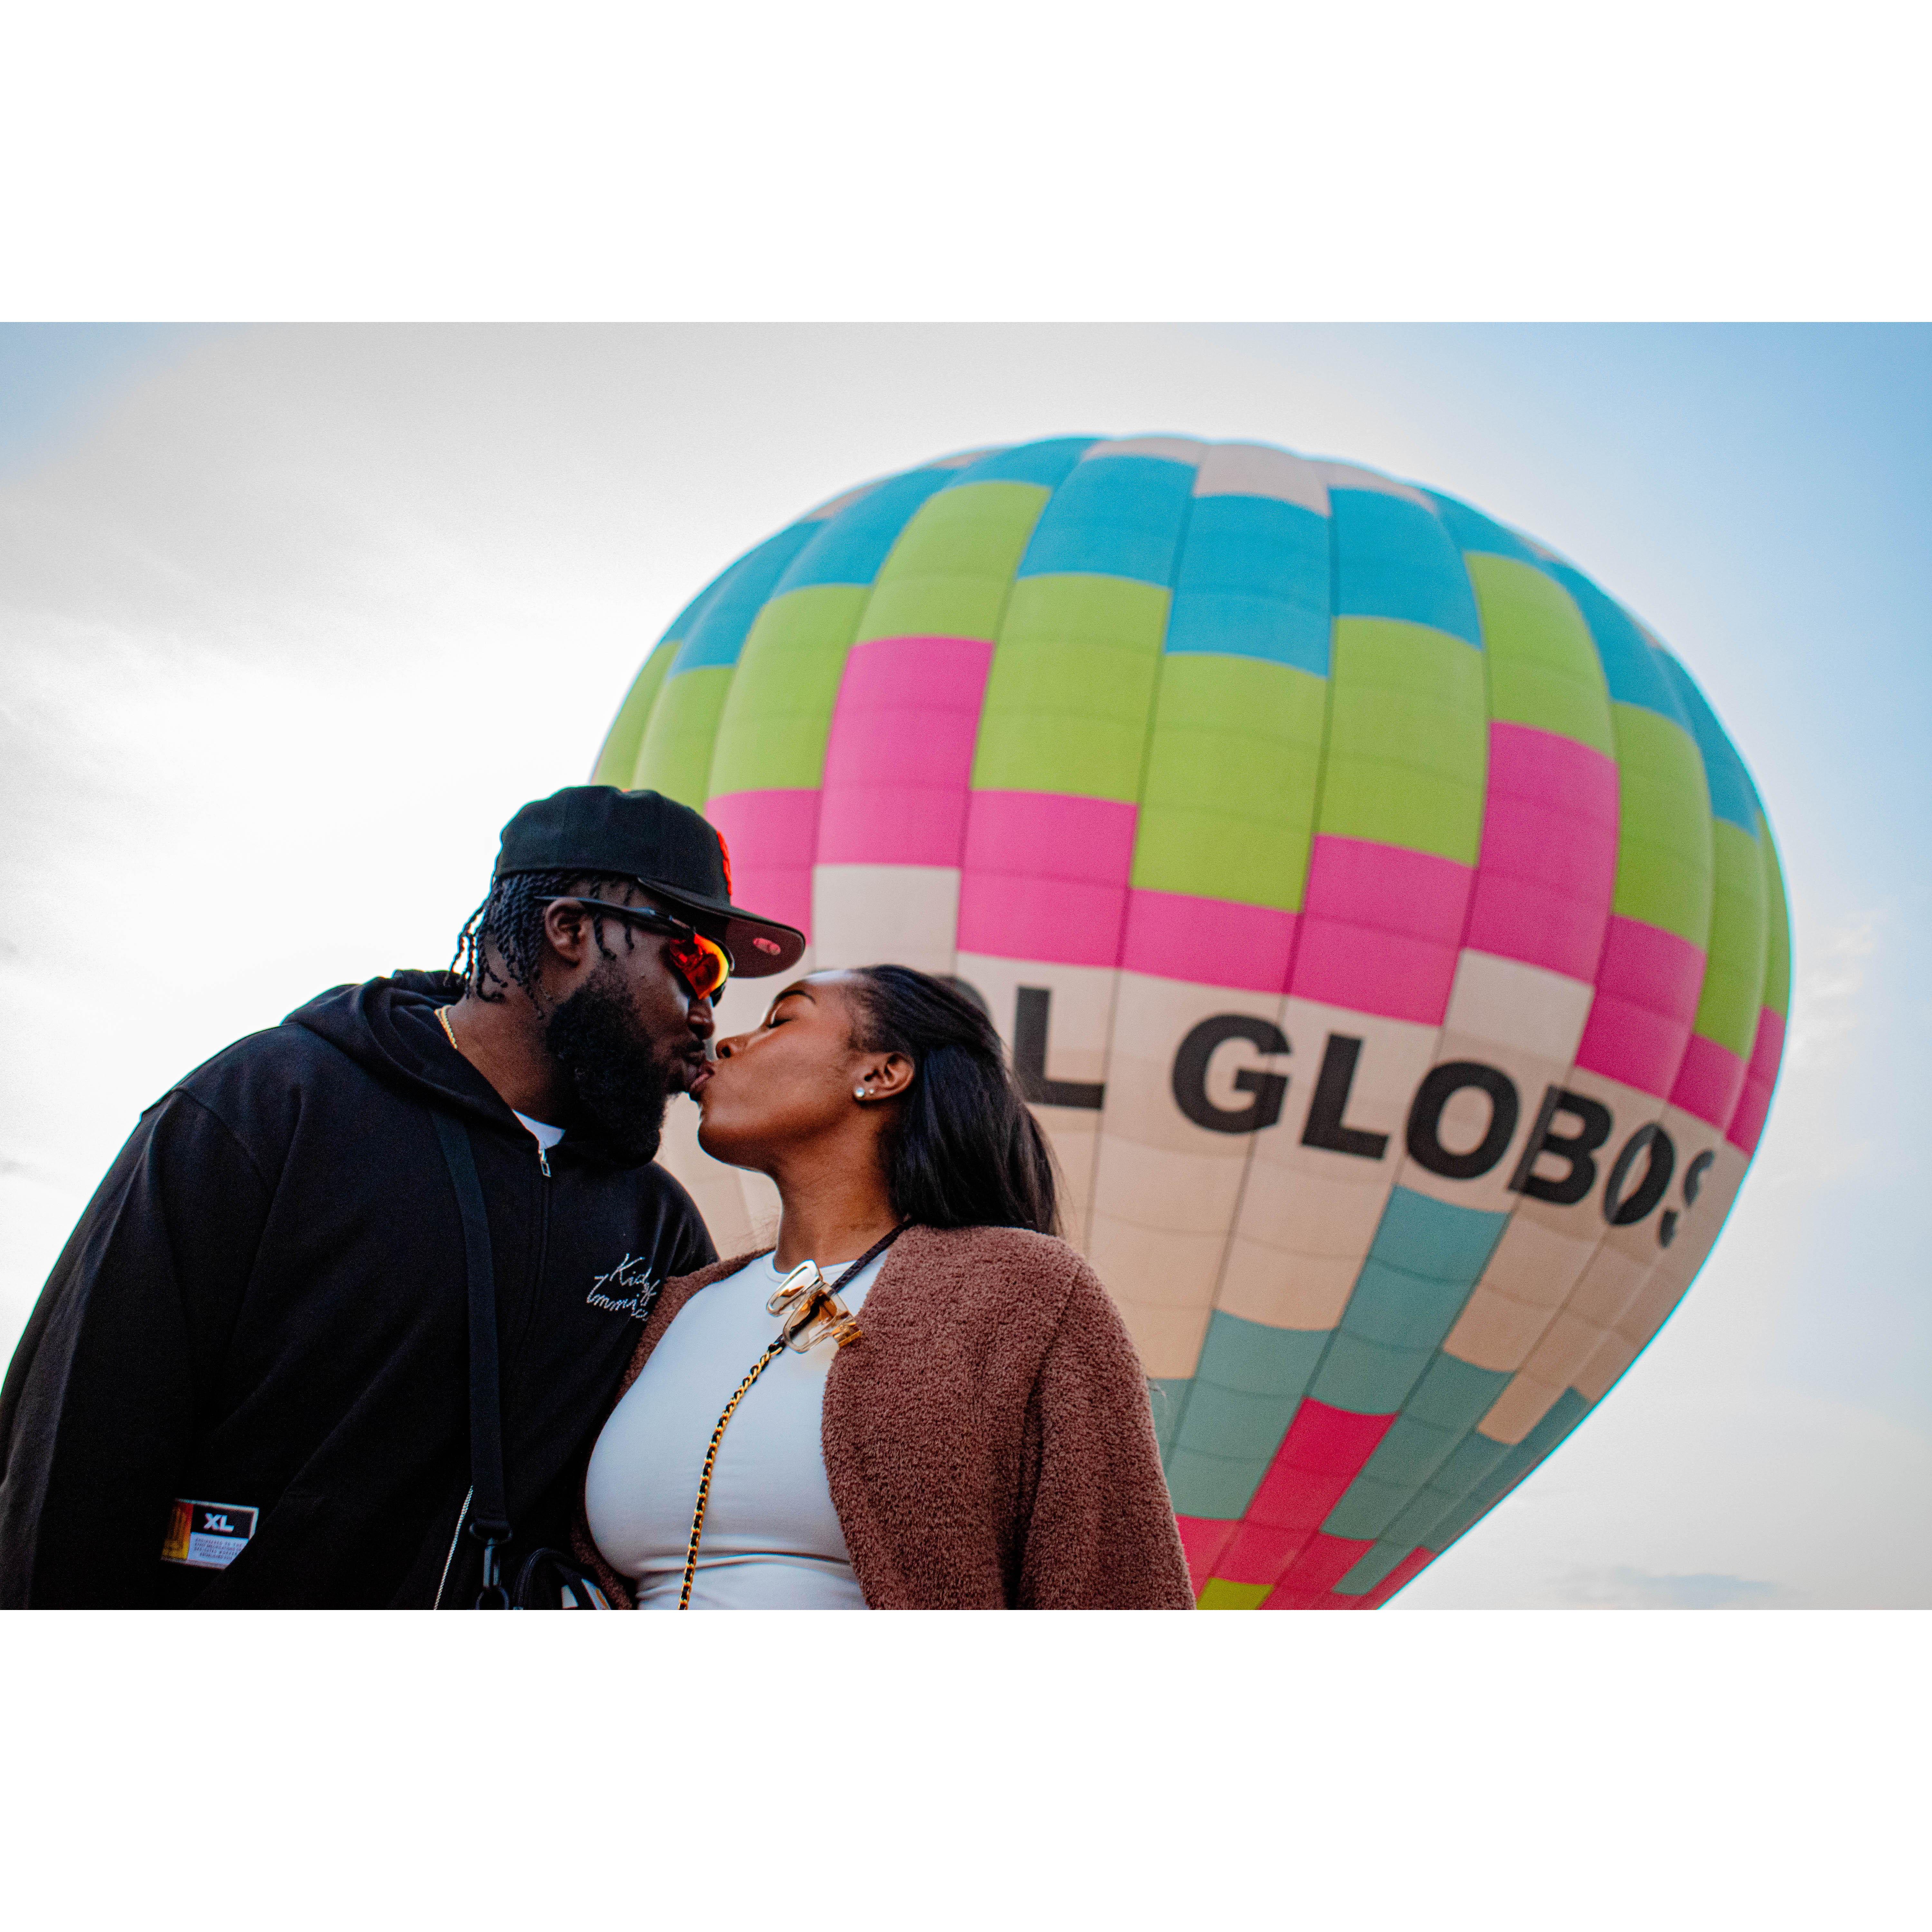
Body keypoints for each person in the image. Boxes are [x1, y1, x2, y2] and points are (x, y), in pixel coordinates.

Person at [0, 785, 805, 1608]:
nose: (708, 1014)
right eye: (696, 964)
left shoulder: (657, 1227)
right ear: (569, 930)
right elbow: (78, 1441)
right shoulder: (272, 1105)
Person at [576, 964, 1193, 1609]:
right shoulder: (678, 1304)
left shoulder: (1025, 1290)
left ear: (881, 1073)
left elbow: (1120, 1588)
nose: (727, 1044)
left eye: (781, 1019)